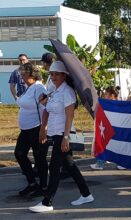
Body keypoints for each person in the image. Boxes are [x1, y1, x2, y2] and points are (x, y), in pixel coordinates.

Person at [29, 61, 93, 213]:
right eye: (51, 74)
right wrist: (43, 125)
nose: (54, 77)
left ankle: (47, 201)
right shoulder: (54, 91)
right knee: (70, 165)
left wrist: (66, 138)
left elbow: (69, 116)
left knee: (55, 166)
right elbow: (50, 110)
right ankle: (86, 194)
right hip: (54, 132)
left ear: (64, 75)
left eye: (57, 74)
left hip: (62, 134)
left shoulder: (67, 92)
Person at [15, 63, 48, 197]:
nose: (22, 77)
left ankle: (44, 187)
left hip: (36, 128)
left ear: (32, 74)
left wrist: (43, 129)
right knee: (19, 153)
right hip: (26, 129)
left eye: (24, 74)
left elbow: (45, 109)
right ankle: (32, 183)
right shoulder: (29, 88)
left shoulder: (39, 88)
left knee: (39, 158)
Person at [90, 86, 121, 170]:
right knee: (104, 145)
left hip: (115, 129)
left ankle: (121, 163)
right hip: (107, 129)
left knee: (117, 146)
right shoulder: (105, 103)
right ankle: (100, 163)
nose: (104, 96)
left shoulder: (119, 104)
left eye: (106, 94)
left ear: (112, 95)